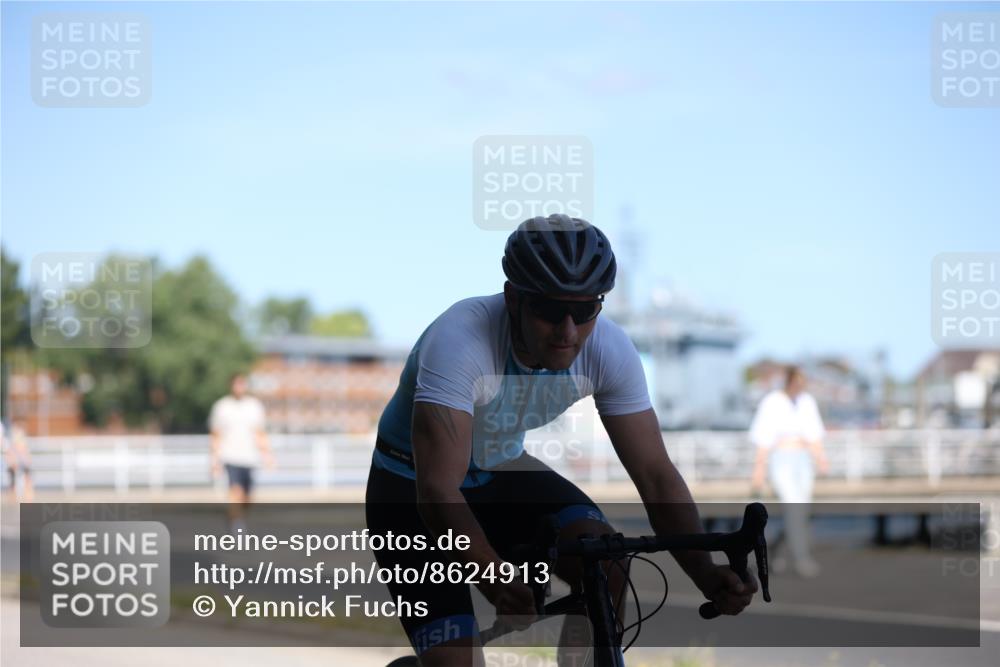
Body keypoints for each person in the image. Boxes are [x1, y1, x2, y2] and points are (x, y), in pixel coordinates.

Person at [366, 214, 758, 667]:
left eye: (585, 310)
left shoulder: (608, 350)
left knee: (606, 563)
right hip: (409, 484)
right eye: (550, 310)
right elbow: (437, 492)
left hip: (501, 468)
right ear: (514, 297)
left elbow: (655, 475)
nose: (568, 331)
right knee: (459, 663)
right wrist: (493, 576)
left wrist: (705, 573)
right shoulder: (460, 339)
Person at [749, 366, 829, 578]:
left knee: (800, 512)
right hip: (781, 459)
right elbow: (763, 438)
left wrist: (821, 459)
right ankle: (802, 558)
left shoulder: (807, 401)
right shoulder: (772, 402)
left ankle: (774, 549)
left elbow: (814, 434)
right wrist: (759, 470)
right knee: (794, 509)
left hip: (803, 459)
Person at [209, 373, 273, 532]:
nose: (239, 387)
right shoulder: (222, 407)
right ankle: (237, 528)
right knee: (235, 493)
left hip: (250, 457)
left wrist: (268, 455)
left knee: (247, 499)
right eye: (236, 384)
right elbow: (216, 435)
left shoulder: (254, 406)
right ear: (231, 386)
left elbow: (260, 433)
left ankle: (236, 518)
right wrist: (215, 459)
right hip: (230, 456)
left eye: (242, 384)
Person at [2, 421, 35, 503]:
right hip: (14, 464)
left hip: (22, 463)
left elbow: (26, 456)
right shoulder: (11, 444)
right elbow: (9, 456)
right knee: (13, 480)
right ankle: (14, 497)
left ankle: (28, 496)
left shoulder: (21, 444)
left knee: (27, 479)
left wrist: (26, 461)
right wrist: (12, 463)